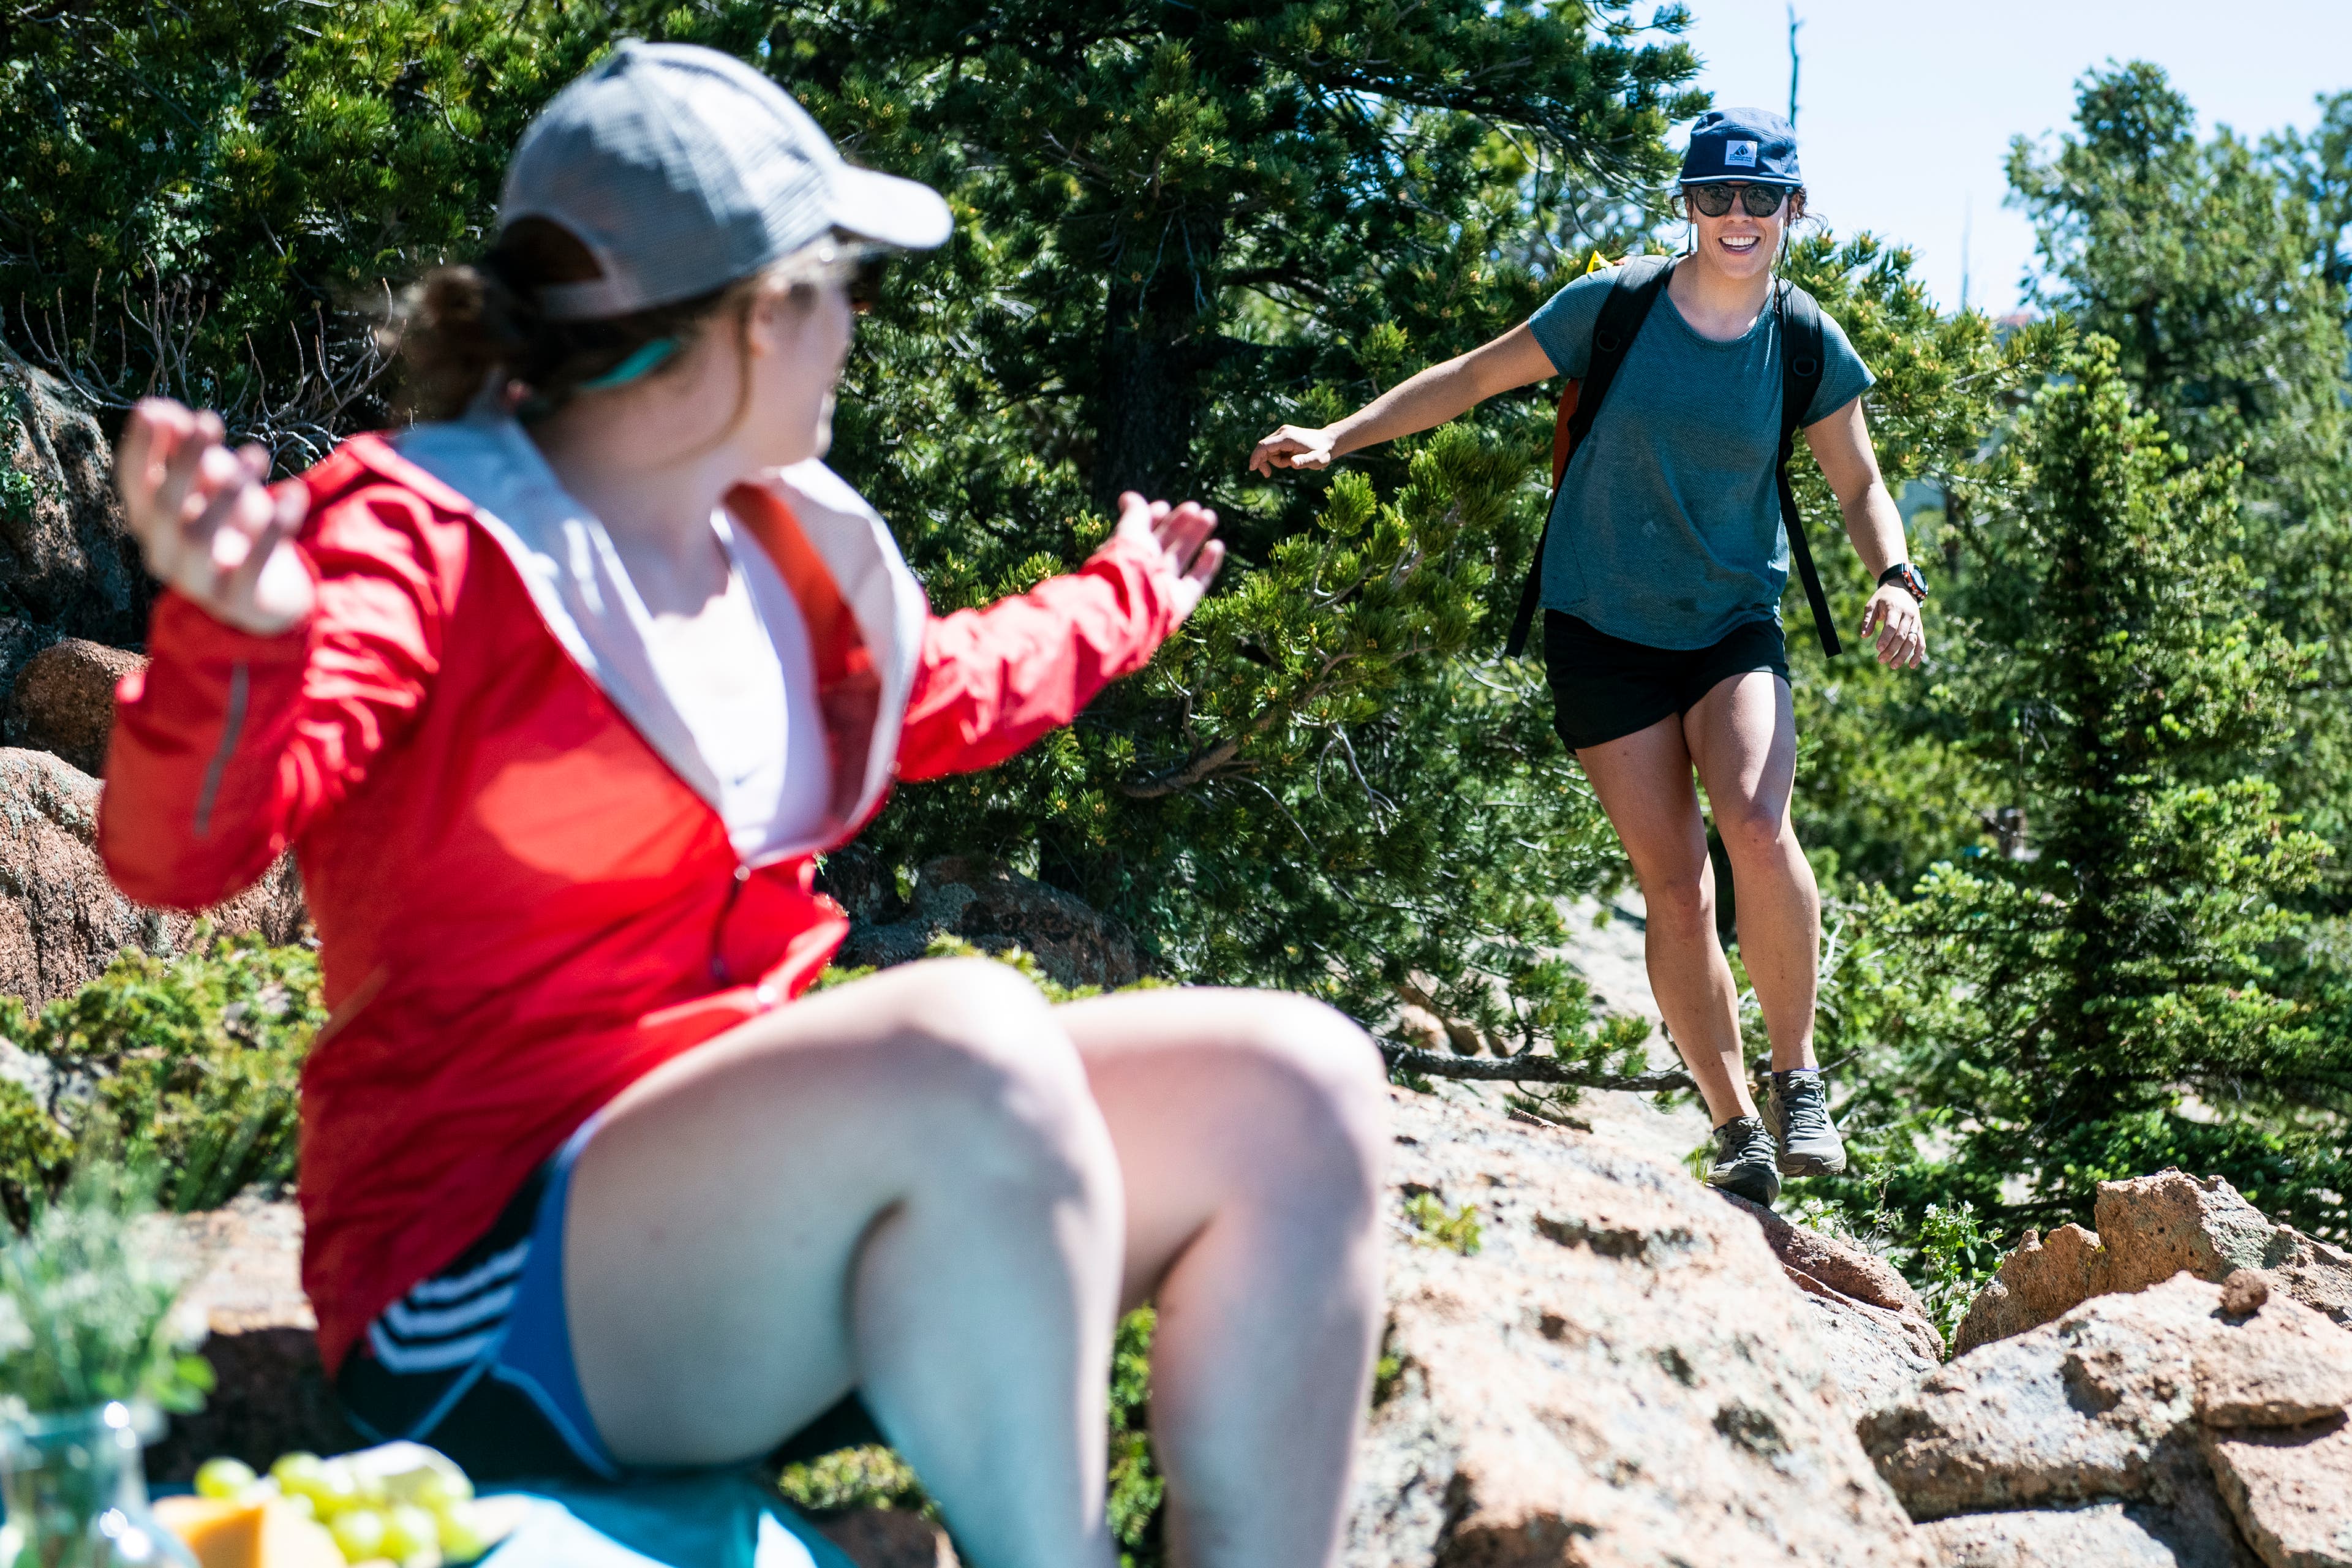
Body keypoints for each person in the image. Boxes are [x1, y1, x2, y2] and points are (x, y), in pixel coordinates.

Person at [101, 42, 1387, 1568]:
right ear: (750, 311)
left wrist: (1125, 599)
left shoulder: (770, 551)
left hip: (761, 1250)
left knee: (1298, 1082)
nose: (854, 328)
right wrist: (231, 638)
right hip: (486, 1291)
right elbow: (183, 854)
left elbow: (950, 692)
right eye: (838, 285)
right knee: (966, 1040)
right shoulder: (416, 534)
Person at [1249, 108, 1928, 1208]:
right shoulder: (1610, 308)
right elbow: (1470, 378)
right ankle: (1736, 1120)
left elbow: (1860, 484)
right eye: (1717, 197)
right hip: (1602, 628)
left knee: (1757, 824)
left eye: (1762, 199)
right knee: (1676, 887)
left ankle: (1799, 1079)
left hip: (1729, 625)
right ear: (1688, 206)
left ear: (1794, 210)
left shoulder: (1804, 339)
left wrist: (1896, 577)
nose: (1739, 217)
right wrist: (1339, 435)